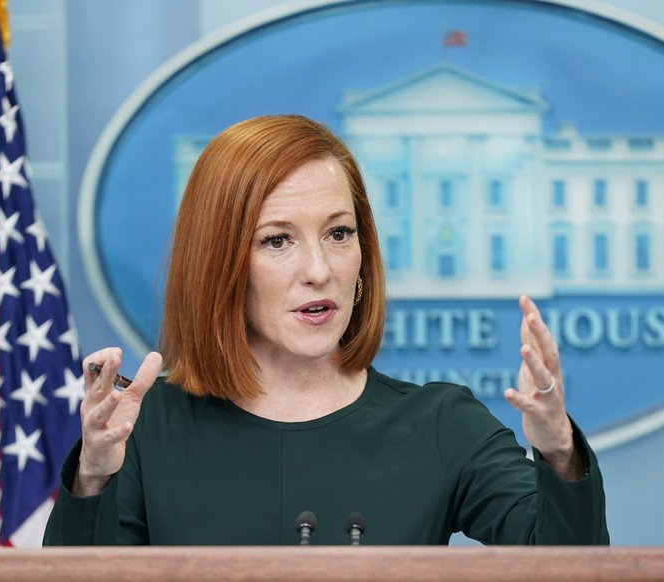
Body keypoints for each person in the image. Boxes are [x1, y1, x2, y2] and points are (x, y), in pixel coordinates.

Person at [43, 114, 609, 546]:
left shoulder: (441, 425)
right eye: (277, 240)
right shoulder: (145, 433)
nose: (319, 270)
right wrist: (93, 475)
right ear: (219, 264)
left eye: (338, 234)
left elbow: (565, 570)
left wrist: (558, 451)